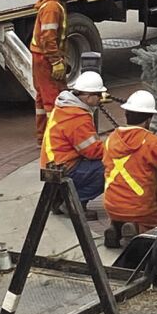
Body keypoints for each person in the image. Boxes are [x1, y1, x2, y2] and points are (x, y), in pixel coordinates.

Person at [101, 89, 157, 248]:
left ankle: (116, 228)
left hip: (111, 205)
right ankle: (137, 229)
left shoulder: (110, 139)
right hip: (141, 208)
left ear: (126, 114)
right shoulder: (150, 142)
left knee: (122, 210)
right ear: (149, 119)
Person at [40, 69, 107, 220]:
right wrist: (113, 147)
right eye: (99, 95)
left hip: (54, 166)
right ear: (89, 96)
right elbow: (93, 151)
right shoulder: (78, 117)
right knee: (109, 168)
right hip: (64, 168)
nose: (101, 99)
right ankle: (73, 203)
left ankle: (60, 198)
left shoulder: (65, 107)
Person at [30, 0, 79, 141]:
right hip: (45, 58)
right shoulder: (52, 8)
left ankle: (43, 137)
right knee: (52, 99)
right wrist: (56, 61)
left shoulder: (52, 0)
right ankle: (55, 140)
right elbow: (48, 38)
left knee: (42, 99)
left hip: (40, 56)